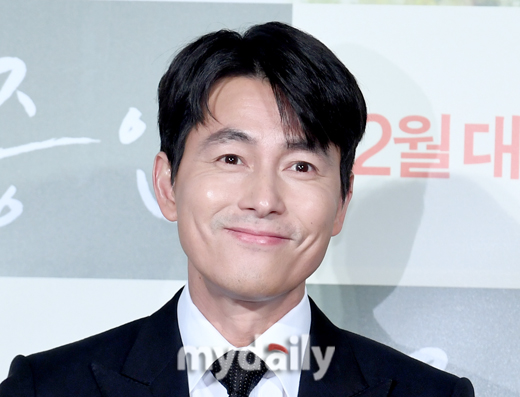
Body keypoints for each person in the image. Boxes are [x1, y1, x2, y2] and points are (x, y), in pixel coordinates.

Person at [0, 22, 474, 397]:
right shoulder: (46, 387)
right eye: (231, 159)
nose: (264, 199)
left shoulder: (429, 393)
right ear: (168, 184)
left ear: (342, 204)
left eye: (301, 166)